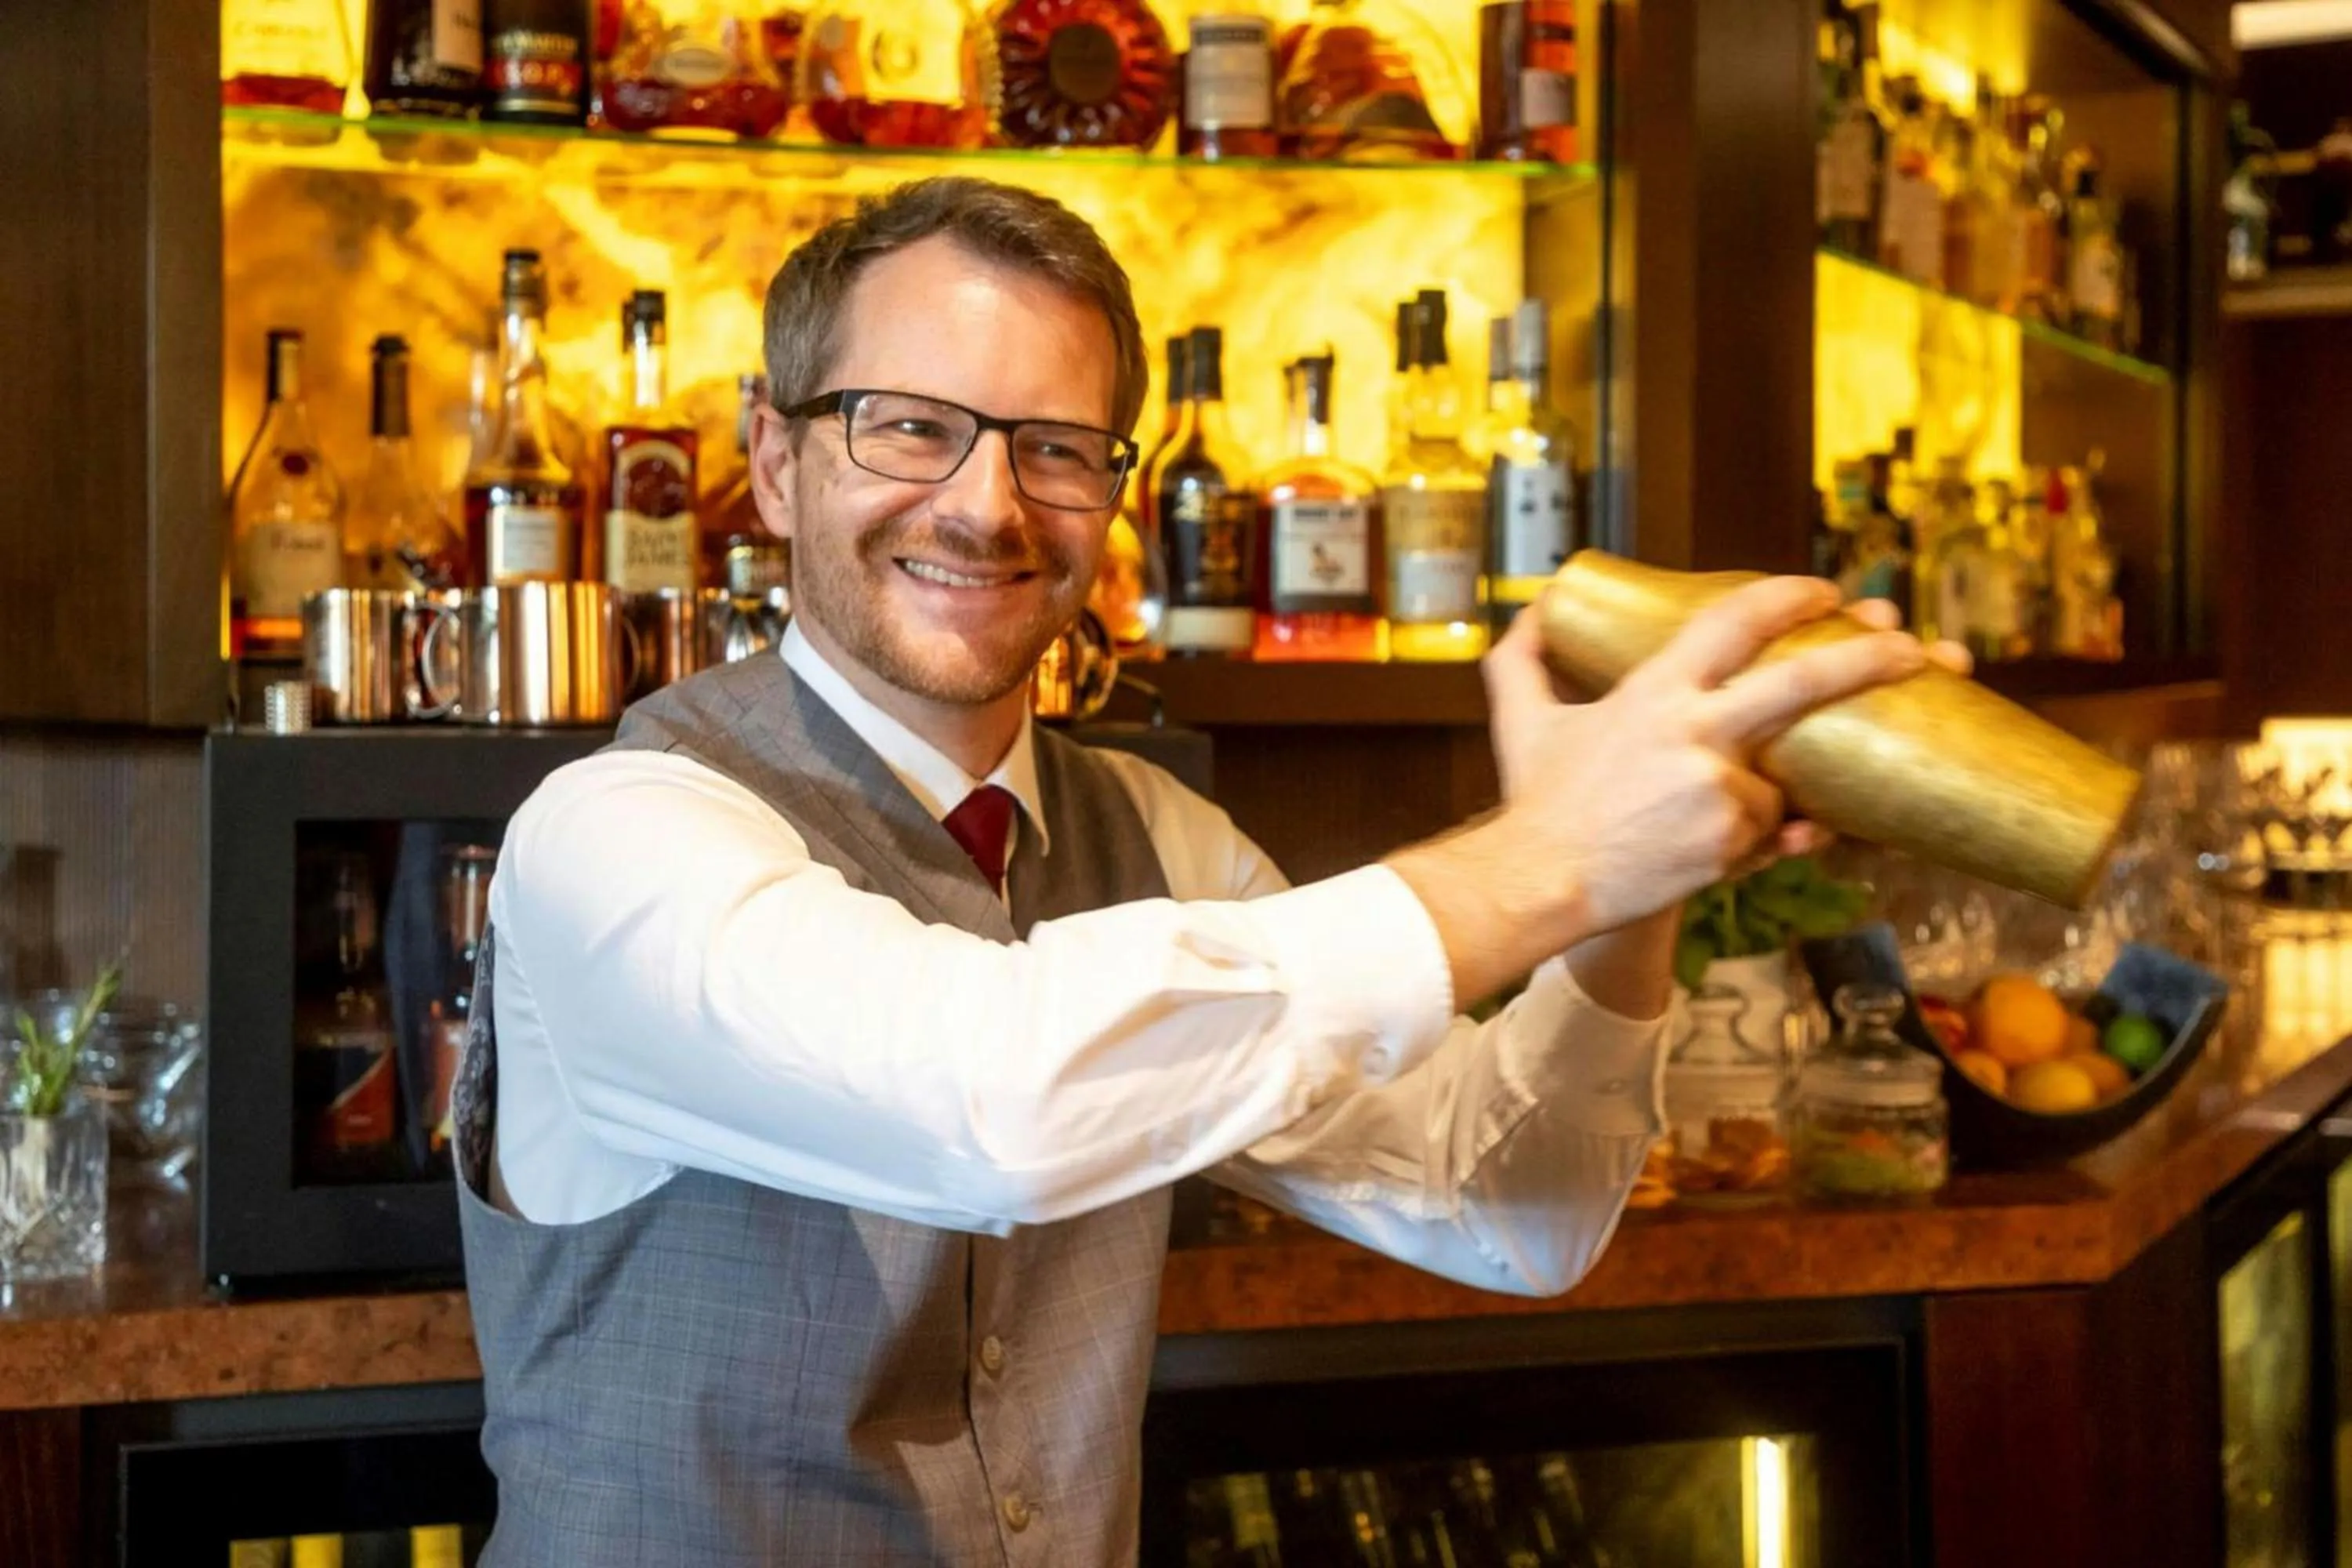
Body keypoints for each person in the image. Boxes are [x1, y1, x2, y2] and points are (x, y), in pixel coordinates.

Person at [453, 176, 1942, 1566]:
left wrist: (1639, 877)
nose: (986, 504)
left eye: (1055, 447)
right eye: (907, 425)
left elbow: (1511, 1209)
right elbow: (994, 1094)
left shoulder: (1156, 838)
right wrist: (1556, 852)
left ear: (1114, 498)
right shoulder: (614, 836)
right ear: (775, 464)